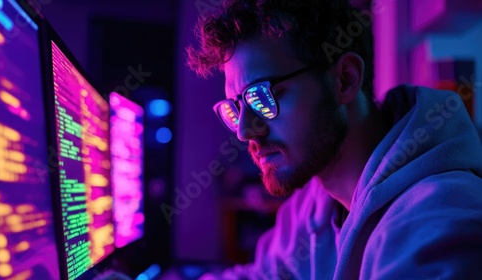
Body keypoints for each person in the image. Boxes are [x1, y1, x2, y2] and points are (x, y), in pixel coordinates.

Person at [186, 0, 482, 279]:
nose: (245, 131)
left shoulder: (437, 222)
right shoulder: (314, 204)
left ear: (345, 80)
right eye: (235, 108)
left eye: (262, 96)